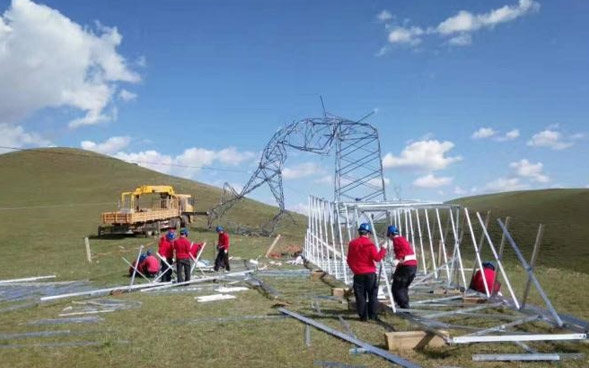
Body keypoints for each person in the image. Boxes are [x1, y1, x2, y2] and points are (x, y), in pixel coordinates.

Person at [346, 223, 387, 322]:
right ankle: (372, 315)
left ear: (359, 232)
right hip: (370, 274)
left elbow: (349, 260)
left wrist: (355, 269)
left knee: (360, 296)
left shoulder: (352, 243)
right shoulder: (369, 244)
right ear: (368, 233)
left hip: (358, 274)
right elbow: (377, 258)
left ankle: (363, 316)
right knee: (372, 295)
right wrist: (383, 249)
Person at [387, 225, 418, 310]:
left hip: (406, 267)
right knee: (403, 287)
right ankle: (404, 305)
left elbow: (402, 253)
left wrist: (396, 260)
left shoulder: (396, 240)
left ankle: (403, 307)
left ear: (390, 234)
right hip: (412, 266)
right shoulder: (402, 239)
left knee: (397, 287)